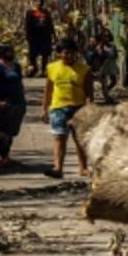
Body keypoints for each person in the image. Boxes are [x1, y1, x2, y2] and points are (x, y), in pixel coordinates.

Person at [41, 37, 92, 178]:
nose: (67, 55)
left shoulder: (84, 69)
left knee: (79, 139)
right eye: (64, 52)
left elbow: (89, 93)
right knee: (59, 137)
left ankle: (83, 168)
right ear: (59, 53)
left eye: (70, 52)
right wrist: (44, 109)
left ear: (76, 53)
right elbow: (48, 90)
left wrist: (89, 110)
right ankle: (58, 168)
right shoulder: (52, 68)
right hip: (58, 108)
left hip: (78, 108)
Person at [0, 44, 25, 169]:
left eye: (12, 50)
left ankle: (6, 156)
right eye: (9, 51)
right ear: (2, 52)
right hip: (3, 105)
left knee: (11, 131)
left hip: (17, 103)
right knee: (2, 131)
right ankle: (3, 157)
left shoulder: (16, 66)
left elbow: (20, 83)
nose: (11, 53)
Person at [23, 0, 55, 77]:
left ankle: (44, 70)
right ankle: (34, 68)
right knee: (33, 54)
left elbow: (50, 24)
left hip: (45, 36)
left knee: (45, 54)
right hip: (34, 37)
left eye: (41, 1)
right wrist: (27, 36)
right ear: (34, 2)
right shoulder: (30, 12)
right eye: (37, 1)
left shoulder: (46, 12)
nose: (39, 3)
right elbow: (27, 25)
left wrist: (53, 34)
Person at [85, 32, 118, 103]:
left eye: (93, 41)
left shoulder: (102, 48)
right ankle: (90, 101)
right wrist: (95, 52)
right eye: (90, 41)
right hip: (90, 71)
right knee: (90, 87)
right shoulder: (88, 49)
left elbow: (108, 57)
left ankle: (107, 98)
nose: (91, 43)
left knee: (104, 85)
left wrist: (102, 50)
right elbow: (89, 59)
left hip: (99, 70)